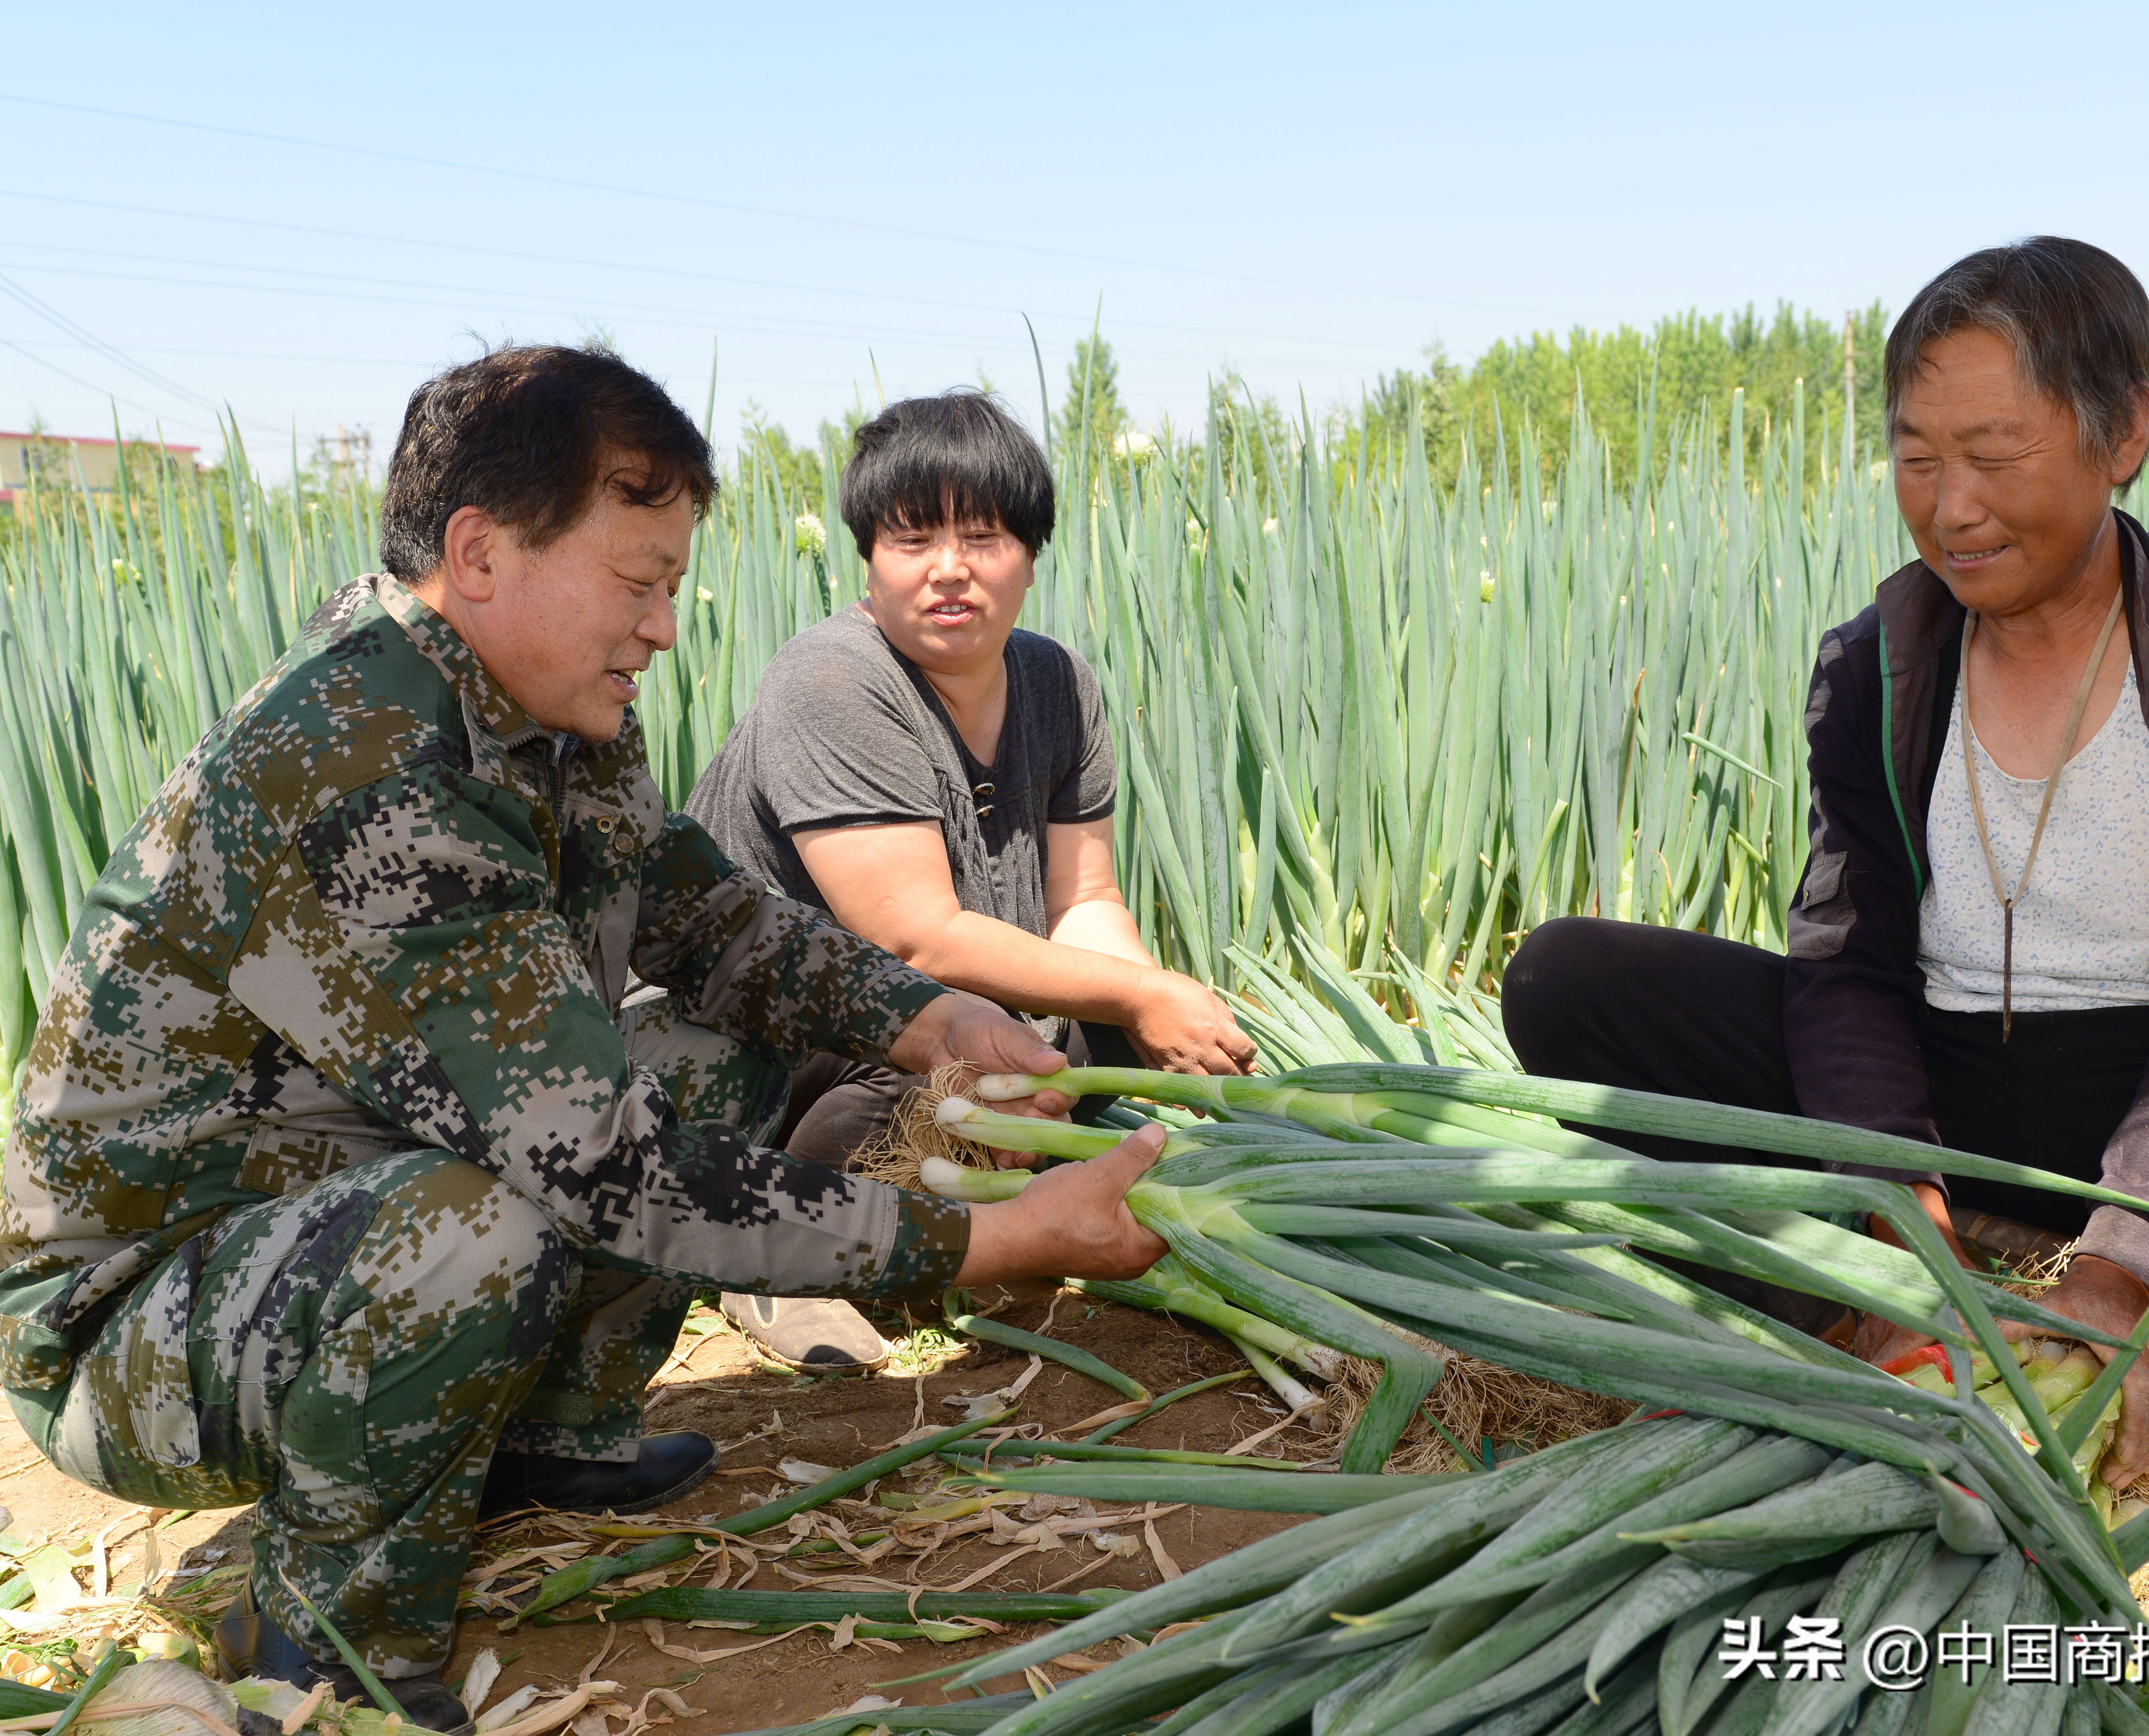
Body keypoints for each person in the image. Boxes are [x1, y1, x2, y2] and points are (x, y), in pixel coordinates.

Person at [0, 346, 1168, 1730]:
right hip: (136, 1325)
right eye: (637, 581)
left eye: (672, 585)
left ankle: (547, 1438)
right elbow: (605, 1168)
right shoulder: (364, 769)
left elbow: (705, 917)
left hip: (323, 1211)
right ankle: (328, 1631)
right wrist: (995, 1237)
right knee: (475, 1226)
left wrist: (927, 1015)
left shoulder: (542, 713)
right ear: (480, 554)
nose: (663, 627)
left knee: (707, 1053)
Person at [1499, 238, 2149, 1618]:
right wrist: (1899, 1226)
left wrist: (2118, 1264)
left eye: (1995, 454)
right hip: (1958, 1087)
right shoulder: (1875, 662)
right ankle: (1855, 1322)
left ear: (2124, 434)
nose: (1952, 507)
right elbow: (1845, 966)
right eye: (1916, 458)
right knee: (1569, 980)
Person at [685, 391, 1253, 1369]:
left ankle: (989, 1201)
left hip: (946, 1015)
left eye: (984, 537)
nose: (949, 567)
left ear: (1030, 555)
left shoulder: (1058, 682)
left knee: (1132, 1024)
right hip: (781, 1033)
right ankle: (776, 1245)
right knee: (953, 1069)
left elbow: (1087, 903)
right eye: (913, 540)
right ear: (868, 560)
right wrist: (1138, 996)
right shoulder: (833, 680)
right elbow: (914, 939)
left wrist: (1157, 1012)